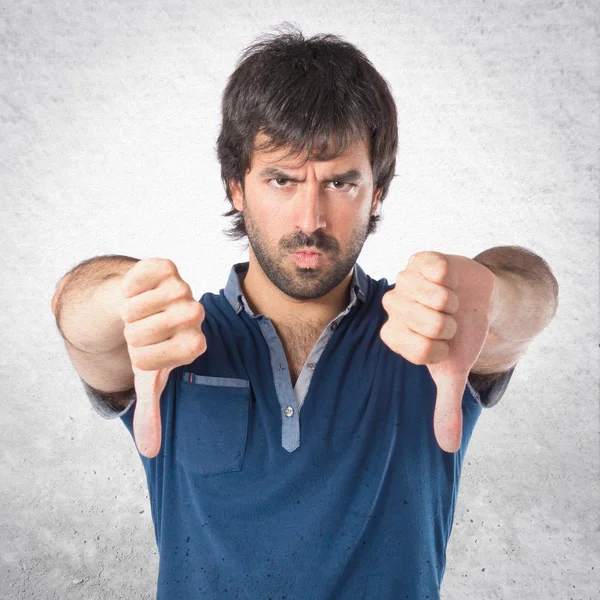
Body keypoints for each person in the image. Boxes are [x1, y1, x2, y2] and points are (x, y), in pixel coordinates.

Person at [51, 24, 558, 600]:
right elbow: (78, 322)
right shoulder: (170, 339)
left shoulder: (432, 335)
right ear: (235, 187)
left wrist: (494, 292)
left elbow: (530, 301)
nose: (310, 218)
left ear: (378, 191)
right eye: (282, 179)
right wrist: (123, 295)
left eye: (341, 182)